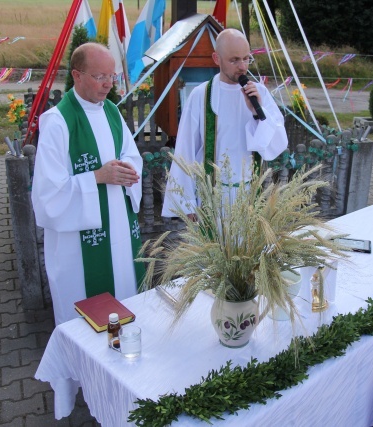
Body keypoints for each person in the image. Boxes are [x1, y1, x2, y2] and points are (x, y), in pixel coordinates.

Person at [32, 43, 144, 326]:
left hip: (119, 230)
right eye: (100, 76)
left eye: (112, 76)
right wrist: (97, 177)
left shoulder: (111, 112)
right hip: (80, 247)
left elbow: (130, 154)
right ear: (77, 76)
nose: (108, 84)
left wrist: (128, 170)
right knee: (85, 320)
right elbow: (48, 195)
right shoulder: (57, 122)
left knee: (124, 298)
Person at [162, 29, 288, 219]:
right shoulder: (200, 96)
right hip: (211, 199)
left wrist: (257, 113)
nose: (242, 67)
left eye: (247, 59)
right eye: (234, 60)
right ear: (216, 58)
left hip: (249, 199)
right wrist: (186, 204)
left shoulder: (259, 94)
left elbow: (276, 145)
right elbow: (185, 150)